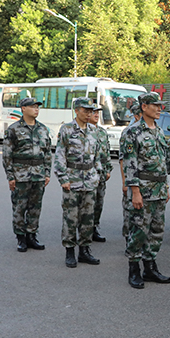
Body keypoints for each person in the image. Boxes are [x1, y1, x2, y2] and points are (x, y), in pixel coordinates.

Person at [121, 92, 170, 288]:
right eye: (155, 105)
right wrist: (135, 192)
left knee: (157, 230)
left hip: (158, 189)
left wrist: (165, 187)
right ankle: (134, 268)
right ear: (144, 107)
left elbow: (162, 163)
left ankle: (150, 267)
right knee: (139, 229)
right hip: (142, 189)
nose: (159, 109)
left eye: (160, 105)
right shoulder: (132, 132)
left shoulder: (158, 131)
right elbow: (130, 164)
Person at [53, 98, 104, 268]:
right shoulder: (67, 129)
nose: (90, 113)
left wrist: (97, 173)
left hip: (90, 181)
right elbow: (60, 155)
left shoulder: (94, 131)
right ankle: (69, 251)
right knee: (71, 218)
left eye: (91, 110)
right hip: (72, 180)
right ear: (77, 110)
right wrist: (63, 178)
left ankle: (84, 250)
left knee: (88, 218)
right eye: (86, 110)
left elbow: (97, 155)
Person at [2, 98, 52, 252]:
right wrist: (10, 176)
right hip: (20, 174)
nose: (36, 109)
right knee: (19, 206)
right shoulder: (13, 129)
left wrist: (47, 173)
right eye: (32, 107)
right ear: (23, 108)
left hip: (38, 175)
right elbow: (7, 155)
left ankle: (32, 235)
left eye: (37, 107)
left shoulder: (43, 129)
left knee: (35, 207)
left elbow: (48, 153)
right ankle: (21, 237)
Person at [119, 102, 143, 243]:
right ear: (136, 115)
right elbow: (123, 160)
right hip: (131, 178)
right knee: (129, 210)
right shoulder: (129, 132)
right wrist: (124, 182)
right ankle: (129, 237)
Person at [89, 108, 112, 243]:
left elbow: (106, 151)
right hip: (88, 173)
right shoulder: (85, 131)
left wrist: (108, 169)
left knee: (99, 202)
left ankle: (93, 228)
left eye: (98, 113)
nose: (96, 115)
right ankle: (84, 229)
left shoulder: (102, 132)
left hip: (102, 172)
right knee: (87, 204)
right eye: (93, 112)